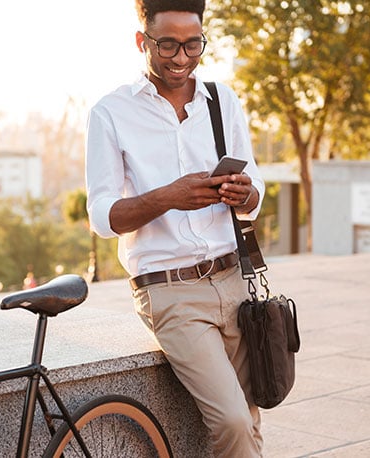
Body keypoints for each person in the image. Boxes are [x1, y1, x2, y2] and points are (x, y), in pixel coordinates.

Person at [85, 1, 265, 456]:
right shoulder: (110, 113)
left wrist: (244, 193)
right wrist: (169, 196)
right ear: (142, 40)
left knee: (250, 418)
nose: (182, 57)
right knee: (232, 420)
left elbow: (256, 190)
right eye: (168, 44)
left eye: (193, 44)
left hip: (234, 279)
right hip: (171, 292)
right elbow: (103, 217)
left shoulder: (224, 101)